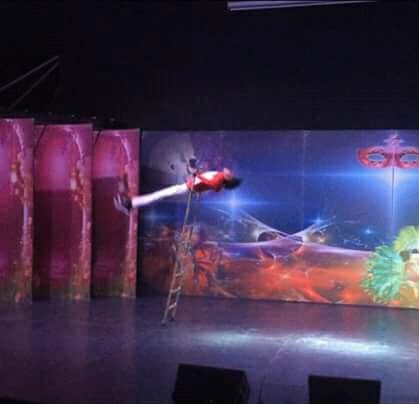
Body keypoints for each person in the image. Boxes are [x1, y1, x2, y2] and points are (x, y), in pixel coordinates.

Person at [114, 168, 241, 215]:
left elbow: (211, 184)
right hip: (187, 185)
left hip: (187, 187)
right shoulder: (219, 175)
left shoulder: (219, 181)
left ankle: (129, 204)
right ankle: (130, 204)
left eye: (231, 174)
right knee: (158, 195)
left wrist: (197, 175)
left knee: (157, 195)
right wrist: (198, 173)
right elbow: (207, 179)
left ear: (228, 178)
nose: (229, 171)